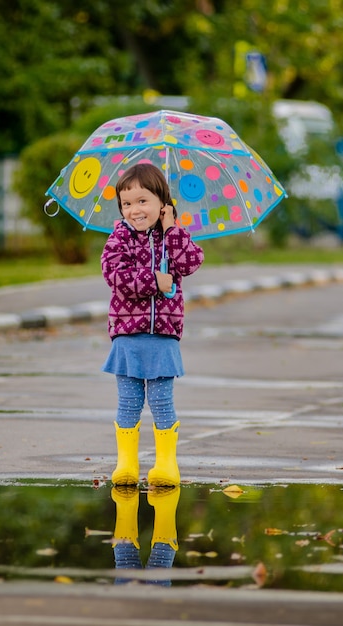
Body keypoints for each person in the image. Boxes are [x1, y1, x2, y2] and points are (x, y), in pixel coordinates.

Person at [101, 163, 204, 487]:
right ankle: (127, 463)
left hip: (163, 336)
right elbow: (113, 275)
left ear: (163, 202)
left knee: (161, 401)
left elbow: (191, 262)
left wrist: (172, 230)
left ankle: (165, 464)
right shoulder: (120, 236)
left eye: (142, 201)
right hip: (128, 335)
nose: (134, 210)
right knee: (129, 401)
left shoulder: (172, 236)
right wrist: (153, 281)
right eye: (126, 203)